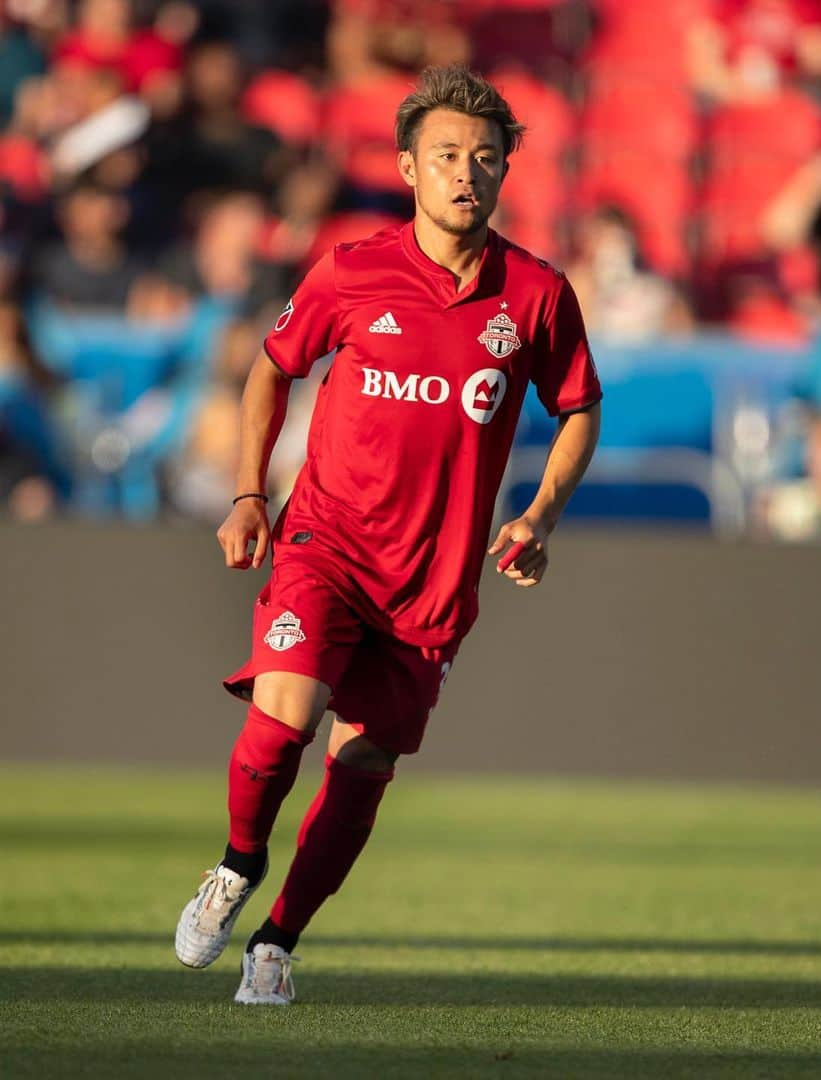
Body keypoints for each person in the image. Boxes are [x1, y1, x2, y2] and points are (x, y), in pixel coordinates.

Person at [173, 64, 603, 1006]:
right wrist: (250, 493)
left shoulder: (533, 294)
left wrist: (540, 515)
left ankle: (277, 941)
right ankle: (238, 865)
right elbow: (271, 369)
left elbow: (580, 406)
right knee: (282, 719)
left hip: (433, 583)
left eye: (485, 158)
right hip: (325, 543)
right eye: (447, 154)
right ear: (409, 167)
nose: (466, 173)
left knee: (361, 764)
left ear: (503, 175)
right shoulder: (352, 271)